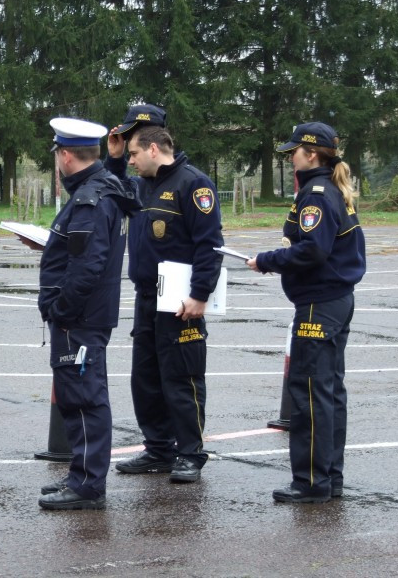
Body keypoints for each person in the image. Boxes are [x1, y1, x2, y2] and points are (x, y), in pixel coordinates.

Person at [246, 122, 365, 503]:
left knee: (311, 391)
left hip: (319, 302)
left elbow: (312, 250)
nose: (290, 156)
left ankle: (311, 482)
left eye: (294, 150)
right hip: (334, 299)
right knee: (329, 391)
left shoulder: (316, 194)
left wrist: (266, 260)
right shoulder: (330, 189)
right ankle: (329, 477)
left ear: (311, 154)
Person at [104, 107, 224, 483]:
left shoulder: (194, 185)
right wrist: (114, 157)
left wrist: (200, 294)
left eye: (134, 153)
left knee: (182, 378)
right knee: (146, 378)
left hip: (180, 301)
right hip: (146, 296)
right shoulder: (140, 184)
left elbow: (210, 245)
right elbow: (108, 190)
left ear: (153, 148)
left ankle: (189, 453)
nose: (132, 160)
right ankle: (158, 449)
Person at [37, 117, 141, 510]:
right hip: (87, 315)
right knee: (80, 394)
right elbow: (80, 254)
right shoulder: (102, 189)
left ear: (65, 156)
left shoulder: (89, 199)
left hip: (79, 318)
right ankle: (81, 474)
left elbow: (88, 265)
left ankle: (87, 485)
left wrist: (60, 309)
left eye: (57, 155)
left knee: (83, 397)